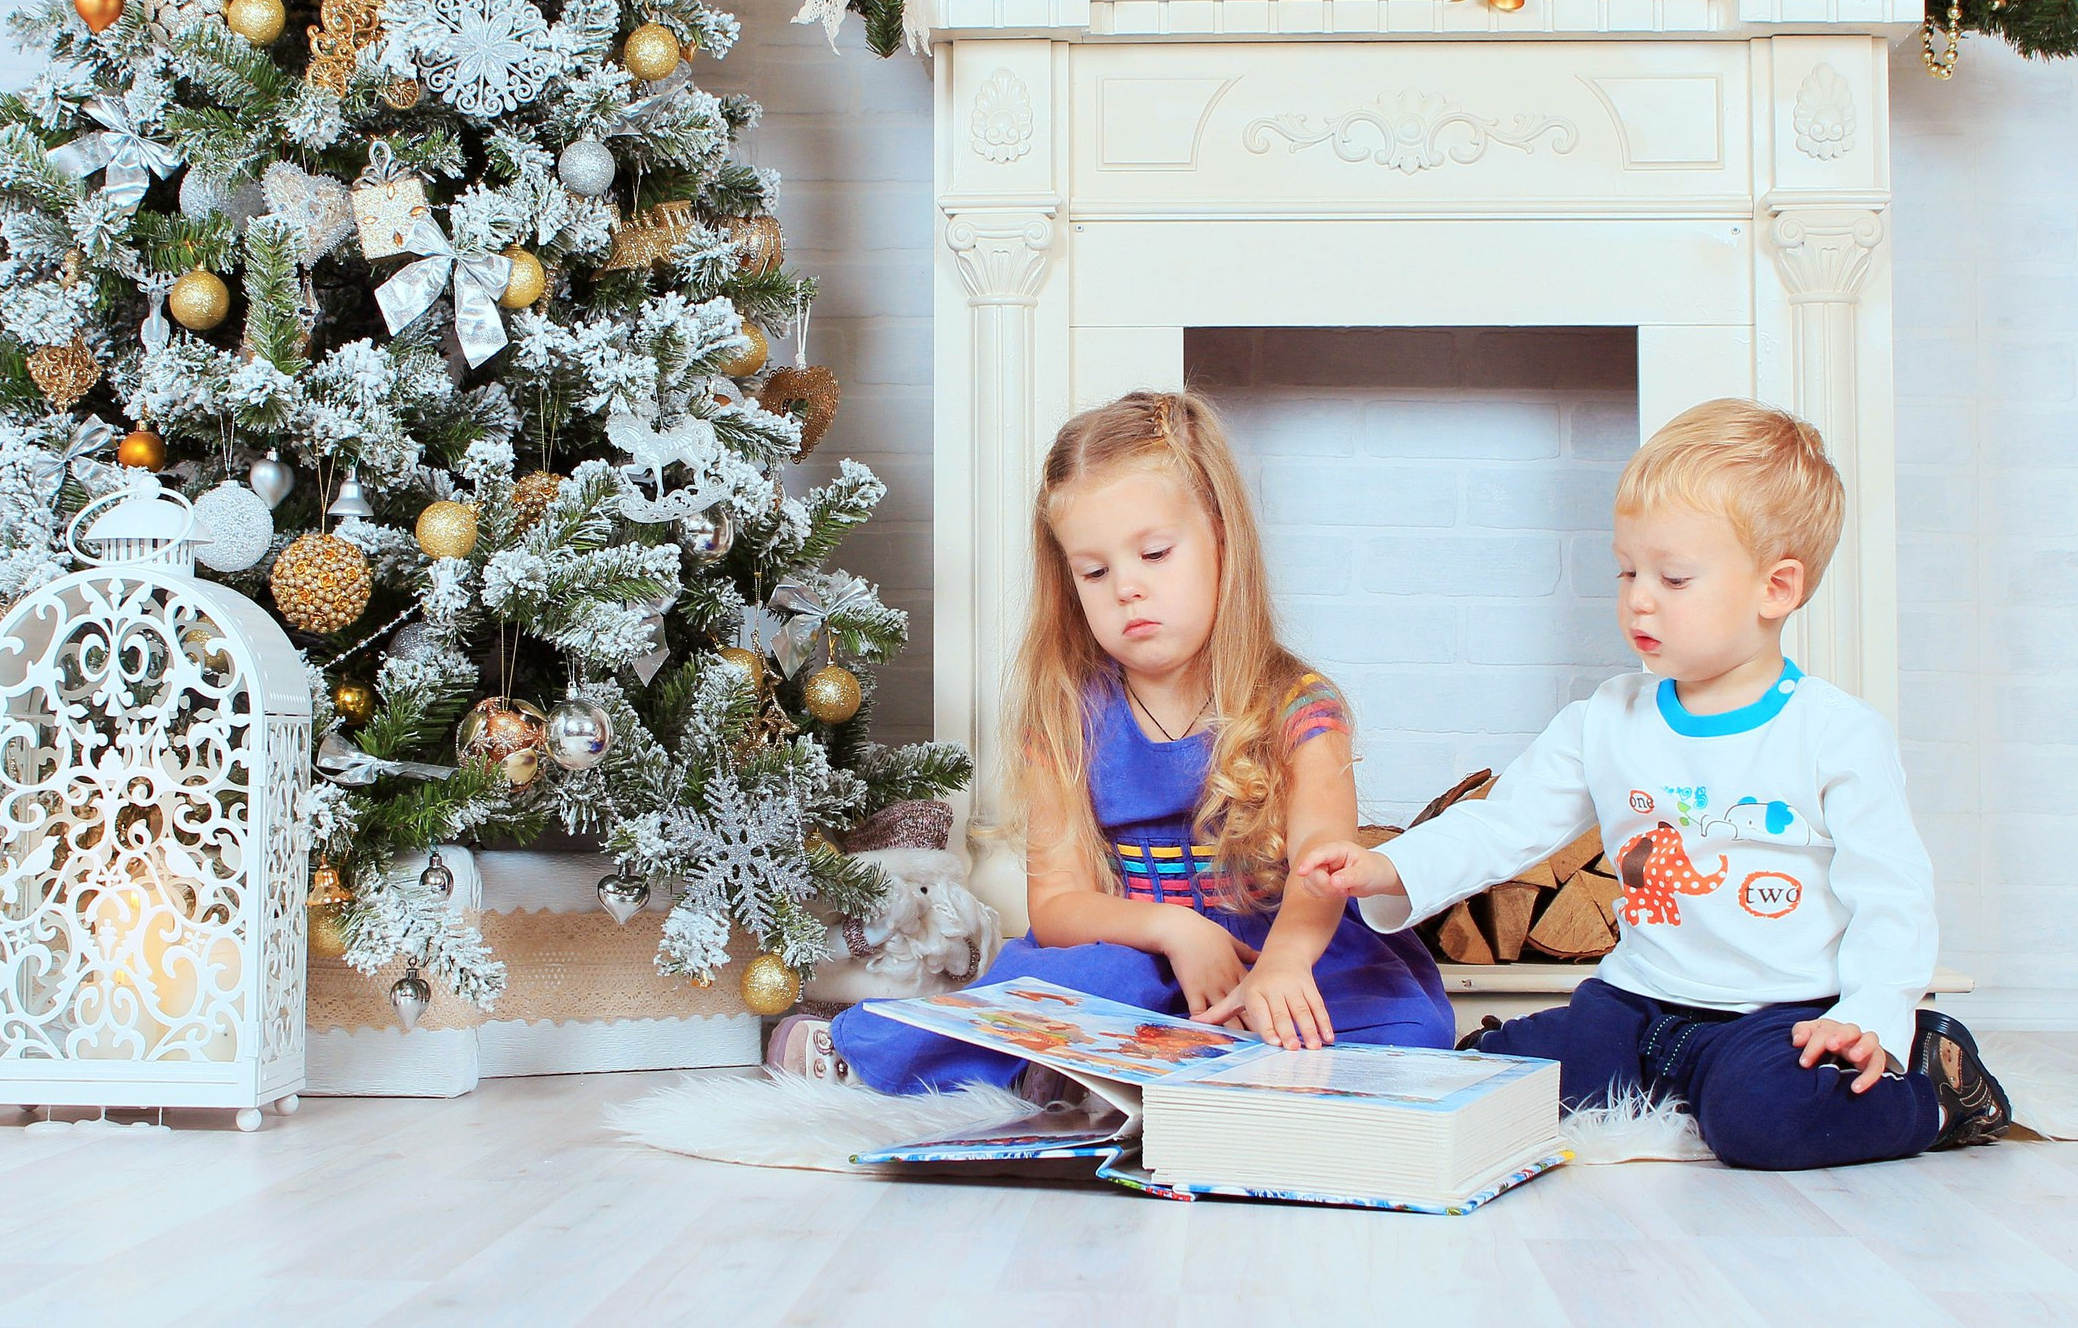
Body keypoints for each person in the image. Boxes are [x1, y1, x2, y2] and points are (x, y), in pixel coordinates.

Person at [1298, 399, 2012, 1169]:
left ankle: (1934, 1090)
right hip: (1637, 999)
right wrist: (1389, 866)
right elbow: (1505, 824)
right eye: (1628, 569)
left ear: (1776, 588)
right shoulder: (1606, 719)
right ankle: (1629, 1075)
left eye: (1673, 577)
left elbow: (1892, 892)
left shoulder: (1834, 733)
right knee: (1503, 1083)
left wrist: (1871, 1013)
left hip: (1778, 1015)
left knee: (1758, 1119)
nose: (1639, 597)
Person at [770, 389, 1453, 1090]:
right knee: (1082, 981)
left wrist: (1282, 962)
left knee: (1412, 1031)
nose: (1127, 587)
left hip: (1295, 948)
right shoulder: (1067, 716)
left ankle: (1110, 1069)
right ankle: (861, 1050)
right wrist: (1176, 930)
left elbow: (1324, 864)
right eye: (1094, 571)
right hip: (1148, 954)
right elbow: (1060, 907)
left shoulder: (1302, 707)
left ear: (1222, 537)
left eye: (1155, 553)